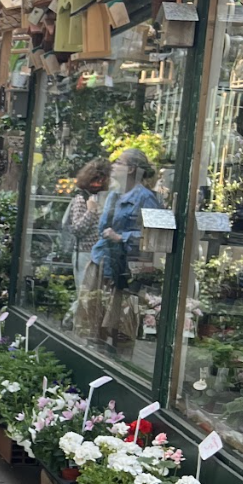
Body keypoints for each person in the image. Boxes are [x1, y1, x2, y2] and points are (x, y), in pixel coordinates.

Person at [74, 147, 160, 356]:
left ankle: (116, 364)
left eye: (118, 163)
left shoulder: (146, 198)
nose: (113, 166)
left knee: (119, 325)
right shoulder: (113, 195)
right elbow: (103, 229)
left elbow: (154, 236)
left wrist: (122, 237)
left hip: (123, 269)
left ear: (131, 169)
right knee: (94, 323)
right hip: (101, 263)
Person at [62, 157, 109, 290]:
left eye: (103, 179)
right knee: (85, 295)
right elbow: (77, 229)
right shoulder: (82, 198)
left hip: (102, 254)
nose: (99, 183)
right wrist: (90, 211)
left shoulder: (106, 198)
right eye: (96, 179)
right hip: (85, 253)